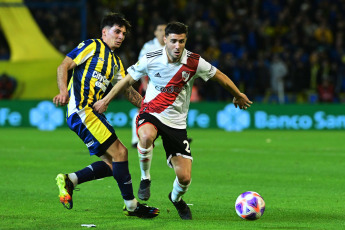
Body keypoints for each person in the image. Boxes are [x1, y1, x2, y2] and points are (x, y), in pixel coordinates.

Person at [93, 22, 252, 220]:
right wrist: (106, 100)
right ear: (166, 40)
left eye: (182, 41)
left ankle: (176, 199)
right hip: (151, 112)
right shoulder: (151, 58)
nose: (178, 46)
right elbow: (126, 81)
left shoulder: (194, 61)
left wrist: (237, 94)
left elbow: (219, 76)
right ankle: (145, 179)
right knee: (146, 136)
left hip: (176, 124)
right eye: (174, 41)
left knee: (184, 178)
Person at [52, 12, 159, 218]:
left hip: (92, 113)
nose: (121, 36)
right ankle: (131, 205)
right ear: (104, 32)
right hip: (82, 110)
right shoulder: (92, 46)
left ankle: (70, 180)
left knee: (113, 165)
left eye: (124, 33)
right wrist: (63, 90)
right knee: (121, 152)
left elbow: (127, 91)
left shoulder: (116, 62)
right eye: (117, 31)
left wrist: (149, 108)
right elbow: (64, 65)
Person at [131, 21, 167, 148]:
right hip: (150, 84)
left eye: (165, 30)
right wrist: (144, 83)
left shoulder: (171, 45)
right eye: (161, 30)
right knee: (141, 109)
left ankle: (173, 138)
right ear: (155, 33)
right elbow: (141, 66)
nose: (163, 32)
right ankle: (136, 140)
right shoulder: (149, 46)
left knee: (167, 111)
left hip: (165, 86)